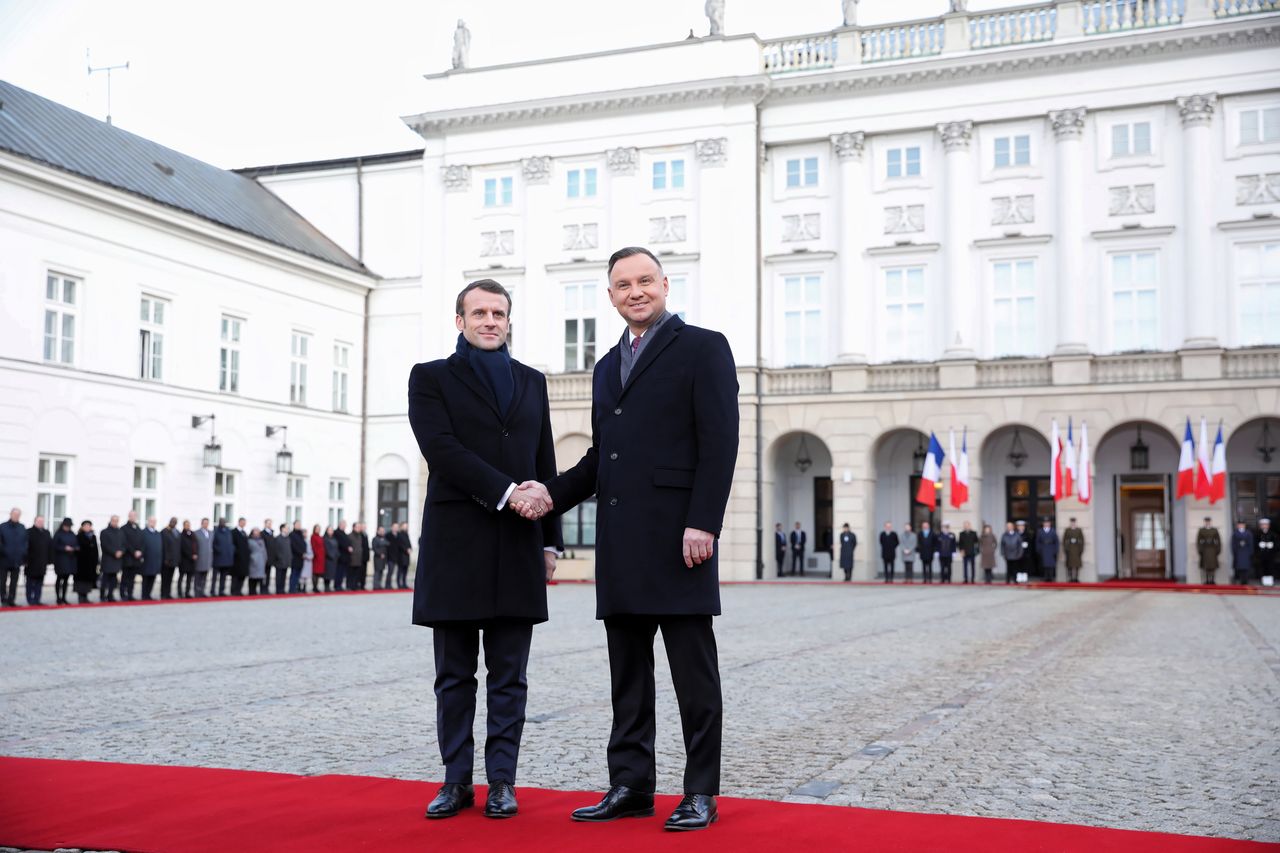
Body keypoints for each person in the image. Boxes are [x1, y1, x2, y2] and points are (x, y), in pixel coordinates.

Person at [532, 247, 739, 832]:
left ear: (665, 285)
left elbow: (719, 441)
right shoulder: (605, 367)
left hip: (680, 539)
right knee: (627, 674)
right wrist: (550, 494)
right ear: (611, 296)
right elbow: (603, 457)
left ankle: (700, 790)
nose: (635, 291)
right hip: (621, 539)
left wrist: (705, 521)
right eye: (623, 284)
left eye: (645, 280)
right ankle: (630, 784)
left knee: (693, 674)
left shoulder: (704, 347)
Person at [407, 278, 564, 822]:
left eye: (498, 312)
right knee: (453, 675)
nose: (490, 321)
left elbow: (544, 459)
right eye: (479, 313)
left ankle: (502, 781)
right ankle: (455, 780)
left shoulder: (532, 381)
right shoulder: (429, 379)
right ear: (460, 321)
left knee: (509, 674)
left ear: (509, 319)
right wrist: (506, 493)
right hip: (456, 545)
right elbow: (441, 451)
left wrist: (552, 541)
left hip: (520, 542)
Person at [0, 507, 26, 607]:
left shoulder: (22, 527)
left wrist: (23, 553)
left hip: (17, 560)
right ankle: (3, 598)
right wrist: (4, 551)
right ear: (10, 514)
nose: (16, 516)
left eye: (18, 515)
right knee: (2, 580)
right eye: (14, 514)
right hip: (4, 559)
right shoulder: (2, 527)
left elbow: (25, 542)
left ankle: (11, 599)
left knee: (14, 581)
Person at [27, 515, 55, 605]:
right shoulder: (29, 532)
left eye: (42, 521)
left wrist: (50, 560)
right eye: (39, 521)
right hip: (31, 562)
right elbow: (25, 547)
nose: (41, 523)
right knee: (30, 582)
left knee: (39, 582)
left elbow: (50, 547)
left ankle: (37, 599)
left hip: (42, 562)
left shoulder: (46, 533)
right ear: (35, 521)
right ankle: (30, 599)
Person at [50, 517, 78, 604]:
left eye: (69, 526)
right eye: (66, 526)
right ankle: (58, 597)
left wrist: (75, 548)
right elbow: (54, 546)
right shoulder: (58, 534)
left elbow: (76, 543)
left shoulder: (72, 534)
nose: (68, 527)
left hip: (70, 560)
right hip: (60, 560)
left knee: (66, 579)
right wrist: (64, 548)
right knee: (59, 578)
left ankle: (64, 597)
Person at [120, 510, 144, 601]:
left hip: (136, 559)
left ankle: (130, 594)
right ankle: (123, 594)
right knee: (125, 577)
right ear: (129, 516)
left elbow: (142, 542)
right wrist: (134, 552)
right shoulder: (124, 528)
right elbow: (125, 542)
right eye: (131, 516)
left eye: (135, 516)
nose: (133, 518)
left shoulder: (138, 528)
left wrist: (140, 551)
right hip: (127, 557)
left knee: (132, 578)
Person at [99, 515, 123, 602]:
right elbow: (104, 545)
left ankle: (110, 595)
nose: (115, 522)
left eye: (117, 521)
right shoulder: (104, 532)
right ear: (110, 521)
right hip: (108, 559)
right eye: (114, 520)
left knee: (114, 579)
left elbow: (124, 544)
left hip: (117, 560)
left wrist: (121, 552)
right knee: (105, 579)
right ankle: (102, 595)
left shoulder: (120, 532)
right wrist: (114, 552)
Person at [74, 520, 99, 604]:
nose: (87, 527)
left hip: (90, 563)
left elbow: (96, 550)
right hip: (81, 563)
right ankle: (81, 597)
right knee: (81, 581)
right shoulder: (79, 536)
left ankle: (86, 596)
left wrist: (96, 560)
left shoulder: (93, 537)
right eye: (86, 526)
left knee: (88, 581)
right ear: (82, 527)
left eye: (89, 526)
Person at [140, 516, 163, 601]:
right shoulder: (143, 532)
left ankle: (148, 594)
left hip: (155, 560)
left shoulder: (157, 533)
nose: (153, 523)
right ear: (148, 522)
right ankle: (144, 595)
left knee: (152, 578)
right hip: (146, 560)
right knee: (146, 579)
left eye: (154, 521)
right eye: (151, 521)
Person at [160, 516, 181, 600]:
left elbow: (178, 546)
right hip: (166, 560)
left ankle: (168, 593)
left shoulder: (177, 532)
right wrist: (166, 558)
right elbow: (164, 546)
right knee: (165, 578)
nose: (174, 523)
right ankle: (163, 594)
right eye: (172, 521)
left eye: (175, 522)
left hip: (174, 560)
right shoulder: (164, 531)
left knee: (170, 578)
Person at [212, 519, 234, 596]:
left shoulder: (228, 531)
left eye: (224, 521)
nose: (223, 523)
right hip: (217, 558)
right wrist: (219, 550)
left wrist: (231, 550)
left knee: (223, 577)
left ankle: (221, 591)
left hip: (226, 558)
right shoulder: (215, 531)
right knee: (214, 577)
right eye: (221, 522)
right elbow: (213, 544)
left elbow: (231, 543)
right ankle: (213, 591)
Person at [230, 517, 251, 596]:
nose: (243, 524)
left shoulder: (244, 532)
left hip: (244, 559)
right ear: (239, 522)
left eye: (244, 522)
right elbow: (232, 545)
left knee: (242, 575)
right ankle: (234, 591)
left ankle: (239, 590)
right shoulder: (234, 532)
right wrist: (237, 553)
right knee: (235, 576)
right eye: (242, 522)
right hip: (237, 559)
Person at [1035, 518, 1059, 582]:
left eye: (1048, 523)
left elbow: (1056, 541)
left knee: (1050, 565)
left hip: (1051, 548)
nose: (1046, 524)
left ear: (1050, 524)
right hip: (1043, 548)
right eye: (1045, 523)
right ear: (1043, 524)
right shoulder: (1040, 531)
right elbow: (1037, 541)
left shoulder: (1053, 531)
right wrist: (1038, 549)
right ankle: (1045, 577)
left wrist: (1055, 550)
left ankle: (1050, 577)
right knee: (1044, 564)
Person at [1230, 520, 1254, 585]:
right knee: (1239, 568)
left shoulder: (1248, 533)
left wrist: (1250, 552)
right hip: (1238, 552)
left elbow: (1251, 543)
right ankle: (1240, 580)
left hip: (1246, 552)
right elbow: (1233, 544)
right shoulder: (1235, 533)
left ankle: (1246, 581)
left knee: (1246, 568)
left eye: (1242, 524)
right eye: (1240, 524)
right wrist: (1234, 552)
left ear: (1244, 525)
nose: (1241, 526)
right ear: (1238, 525)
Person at [194, 518, 213, 598]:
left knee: (205, 576)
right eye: (204, 523)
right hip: (200, 558)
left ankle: (202, 591)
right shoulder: (196, 533)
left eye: (207, 523)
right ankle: (197, 592)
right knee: (198, 576)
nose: (206, 524)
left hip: (208, 558)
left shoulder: (211, 533)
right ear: (201, 523)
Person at [179, 520, 198, 598]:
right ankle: (180, 593)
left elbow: (196, 545)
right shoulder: (181, 535)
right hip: (184, 560)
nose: (188, 526)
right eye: (186, 525)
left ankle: (187, 592)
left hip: (192, 561)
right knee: (181, 577)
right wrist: (191, 555)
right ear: (183, 526)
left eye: (189, 525)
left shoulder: (193, 534)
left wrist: (195, 554)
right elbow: (182, 548)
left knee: (189, 578)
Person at [1062, 518, 1085, 583]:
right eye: (1072, 523)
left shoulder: (1079, 530)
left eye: (1074, 522)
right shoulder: (1067, 530)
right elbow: (1064, 540)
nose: (1073, 524)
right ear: (1070, 523)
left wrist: (1081, 548)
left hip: (1077, 549)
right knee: (1070, 565)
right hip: (1070, 549)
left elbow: (1082, 539)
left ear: (1075, 523)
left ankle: (1076, 578)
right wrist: (1066, 547)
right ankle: (1071, 578)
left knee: (1077, 565)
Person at [273, 523, 293, 594]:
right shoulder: (278, 538)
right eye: (286, 528)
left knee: (284, 577)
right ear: (282, 529)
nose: (288, 530)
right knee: (279, 577)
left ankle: (282, 589)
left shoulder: (288, 538)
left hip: (286, 561)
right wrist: (279, 558)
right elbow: (276, 550)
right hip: (279, 562)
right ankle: (278, 590)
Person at [289, 521, 307, 593]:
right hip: (295, 557)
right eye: (297, 524)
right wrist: (301, 553)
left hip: (301, 558)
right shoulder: (292, 535)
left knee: (298, 574)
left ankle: (296, 588)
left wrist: (304, 552)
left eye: (300, 524)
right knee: (294, 574)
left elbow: (303, 544)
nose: (299, 526)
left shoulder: (300, 534)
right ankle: (292, 589)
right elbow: (294, 546)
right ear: (294, 525)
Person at [1256, 518, 1276, 583]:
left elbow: (1277, 543)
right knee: (1262, 568)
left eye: (1266, 524)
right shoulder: (1258, 534)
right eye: (1263, 525)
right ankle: (1263, 581)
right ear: (1261, 526)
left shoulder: (1272, 534)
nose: (1264, 526)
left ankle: (1270, 581)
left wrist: (1272, 545)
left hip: (1270, 555)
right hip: (1261, 555)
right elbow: (1254, 543)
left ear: (1268, 525)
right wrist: (1259, 545)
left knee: (1270, 567)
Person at [333, 520, 351, 592]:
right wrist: (347, 547)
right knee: (339, 572)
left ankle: (339, 585)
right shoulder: (337, 533)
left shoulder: (344, 533)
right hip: (340, 556)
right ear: (340, 525)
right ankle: (337, 585)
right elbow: (340, 543)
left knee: (342, 572)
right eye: (344, 525)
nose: (345, 526)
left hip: (345, 556)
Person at [247, 528, 267, 595]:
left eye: (258, 532)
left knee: (260, 578)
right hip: (253, 562)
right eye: (255, 532)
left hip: (261, 561)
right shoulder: (249, 541)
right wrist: (252, 558)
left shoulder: (262, 541)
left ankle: (261, 591)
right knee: (253, 578)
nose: (257, 533)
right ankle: (252, 591)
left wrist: (265, 559)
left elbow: (264, 551)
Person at [260, 518, 276, 594]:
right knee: (263, 575)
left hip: (270, 558)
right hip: (264, 558)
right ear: (265, 524)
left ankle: (267, 588)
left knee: (268, 574)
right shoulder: (262, 533)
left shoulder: (272, 533)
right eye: (268, 523)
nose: (269, 525)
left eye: (270, 523)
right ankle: (262, 589)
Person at [395, 523, 413, 589]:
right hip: (401, 556)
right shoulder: (399, 535)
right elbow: (400, 545)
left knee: (405, 570)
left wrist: (410, 548)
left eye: (406, 526)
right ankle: (399, 584)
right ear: (401, 527)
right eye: (405, 526)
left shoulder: (406, 534)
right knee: (400, 570)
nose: (406, 527)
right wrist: (406, 550)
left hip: (407, 556)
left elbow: (409, 543)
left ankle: (404, 583)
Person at [372, 525, 390, 590]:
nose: (382, 532)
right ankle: (375, 585)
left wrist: (382, 543)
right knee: (377, 572)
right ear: (378, 531)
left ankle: (379, 585)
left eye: (383, 531)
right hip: (378, 558)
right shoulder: (375, 539)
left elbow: (388, 543)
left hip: (384, 559)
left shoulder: (384, 538)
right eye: (381, 531)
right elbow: (374, 548)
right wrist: (380, 554)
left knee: (381, 572)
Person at [311, 524, 327, 592]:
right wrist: (316, 554)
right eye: (317, 528)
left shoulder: (320, 537)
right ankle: (314, 587)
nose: (318, 530)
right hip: (316, 557)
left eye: (319, 529)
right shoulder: (313, 536)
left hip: (321, 557)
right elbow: (313, 546)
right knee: (315, 572)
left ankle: (316, 586)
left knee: (319, 572)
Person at [355, 522, 371, 590]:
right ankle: (358, 585)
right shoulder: (359, 535)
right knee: (359, 572)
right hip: (360, 557)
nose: (364, 528)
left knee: (364, 573)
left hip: (365, 557)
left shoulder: (365, 535)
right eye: (363, 527)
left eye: (365, 527)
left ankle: (363, 585)